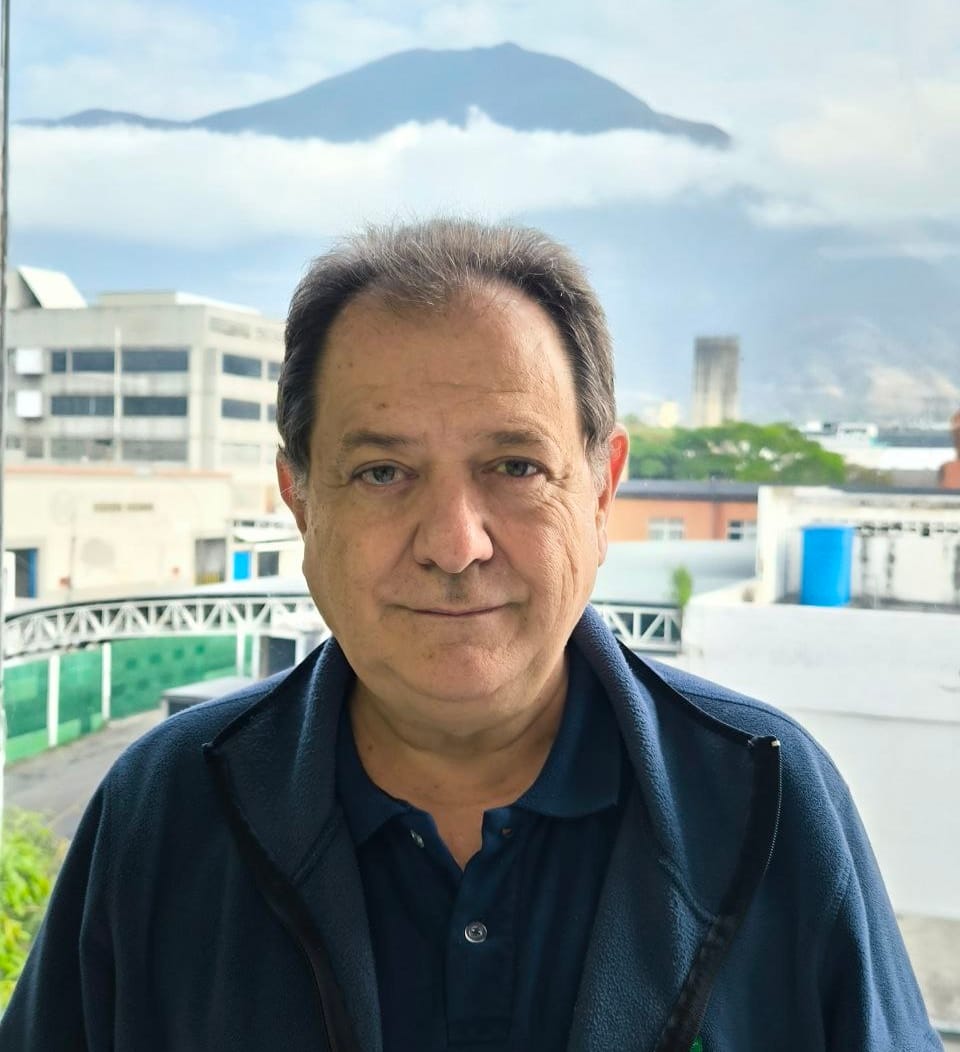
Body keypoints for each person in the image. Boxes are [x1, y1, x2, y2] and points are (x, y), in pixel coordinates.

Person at [1, 219, 941, 1052]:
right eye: (382, 472)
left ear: (603, 490)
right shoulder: (167, 811)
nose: (456, 545)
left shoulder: (765, 799)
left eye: (515, 465)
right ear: (299, 499)